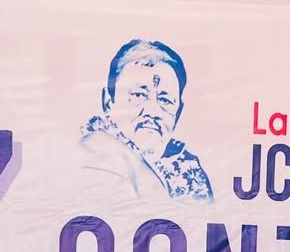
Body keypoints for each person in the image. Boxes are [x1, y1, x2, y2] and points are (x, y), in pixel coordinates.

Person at [78, 38, 213, 202]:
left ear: (178, 112)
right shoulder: (91, 157)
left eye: (165, 100)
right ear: (108, 102)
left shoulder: (192, 175)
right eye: (138, 95)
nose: (153, 111)